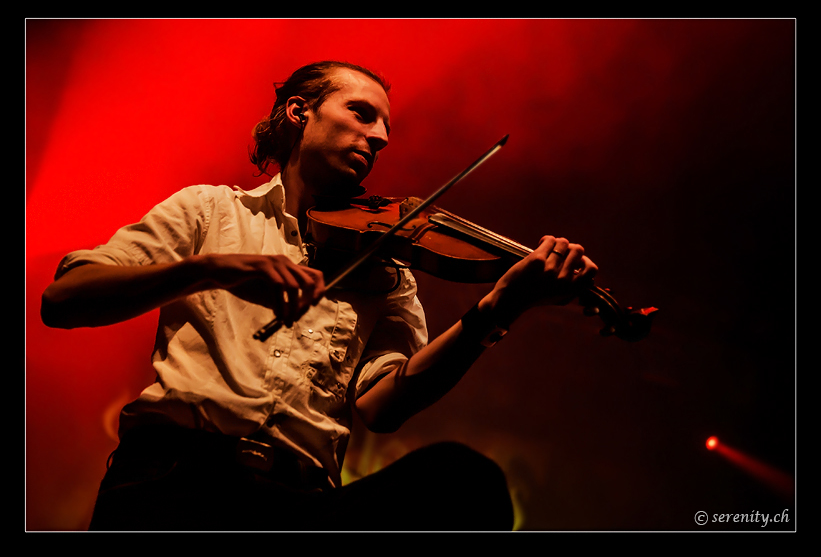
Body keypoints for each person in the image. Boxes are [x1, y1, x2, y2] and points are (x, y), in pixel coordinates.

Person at [41, 61, 598, 531]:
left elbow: (382, 406)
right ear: (299, 111)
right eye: (362, 113)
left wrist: (498, 308)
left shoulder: (387, 268)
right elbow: (65, 299)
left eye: (385, 126)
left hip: (302, 504)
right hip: (174, 480)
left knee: (463, 480)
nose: (380, 136)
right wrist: (211, 269)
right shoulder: (209, 210)